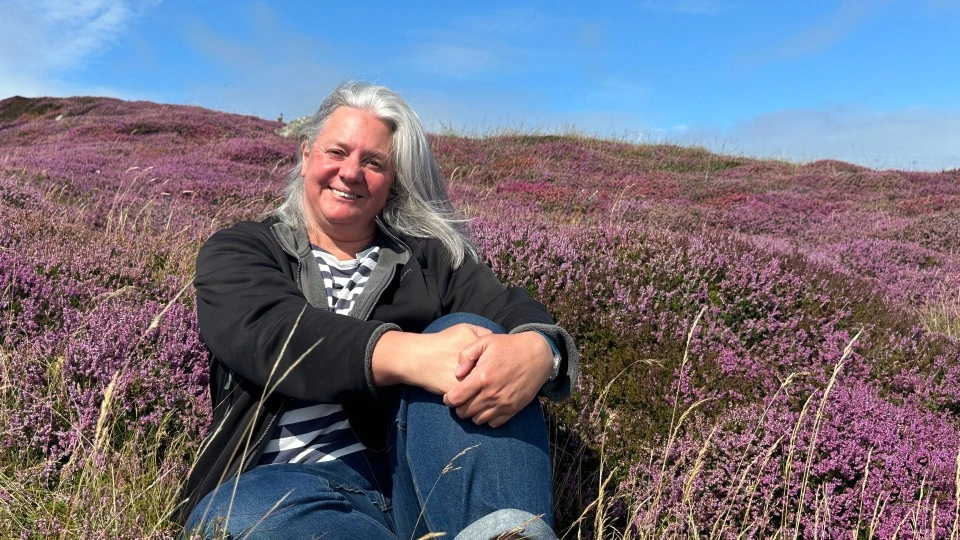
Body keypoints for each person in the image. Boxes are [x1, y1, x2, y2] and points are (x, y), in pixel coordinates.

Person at [177, 81, 579, 539]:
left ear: (392, 182)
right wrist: (410, 356)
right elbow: (269, 332)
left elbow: (510, 308)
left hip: (415, 482)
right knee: (241, 514)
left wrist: (541, 351)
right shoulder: (243, 248)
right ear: (306, 154)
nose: (350, 173)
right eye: (337, 152)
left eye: (373, 162)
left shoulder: (432, 259)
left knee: (472, 332)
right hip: (283, 489)